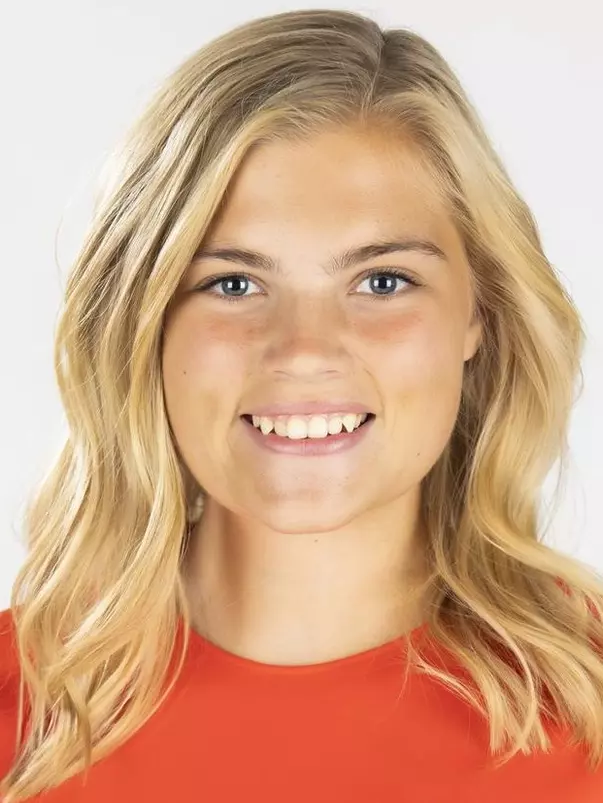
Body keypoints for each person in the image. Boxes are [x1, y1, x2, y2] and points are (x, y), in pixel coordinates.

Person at [1, 8, 603, 802]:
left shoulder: (587, 704)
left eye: (382, 281)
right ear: (142, 320)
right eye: (233, 283)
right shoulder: (19, 710)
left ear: (477, 313)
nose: (303, 350)